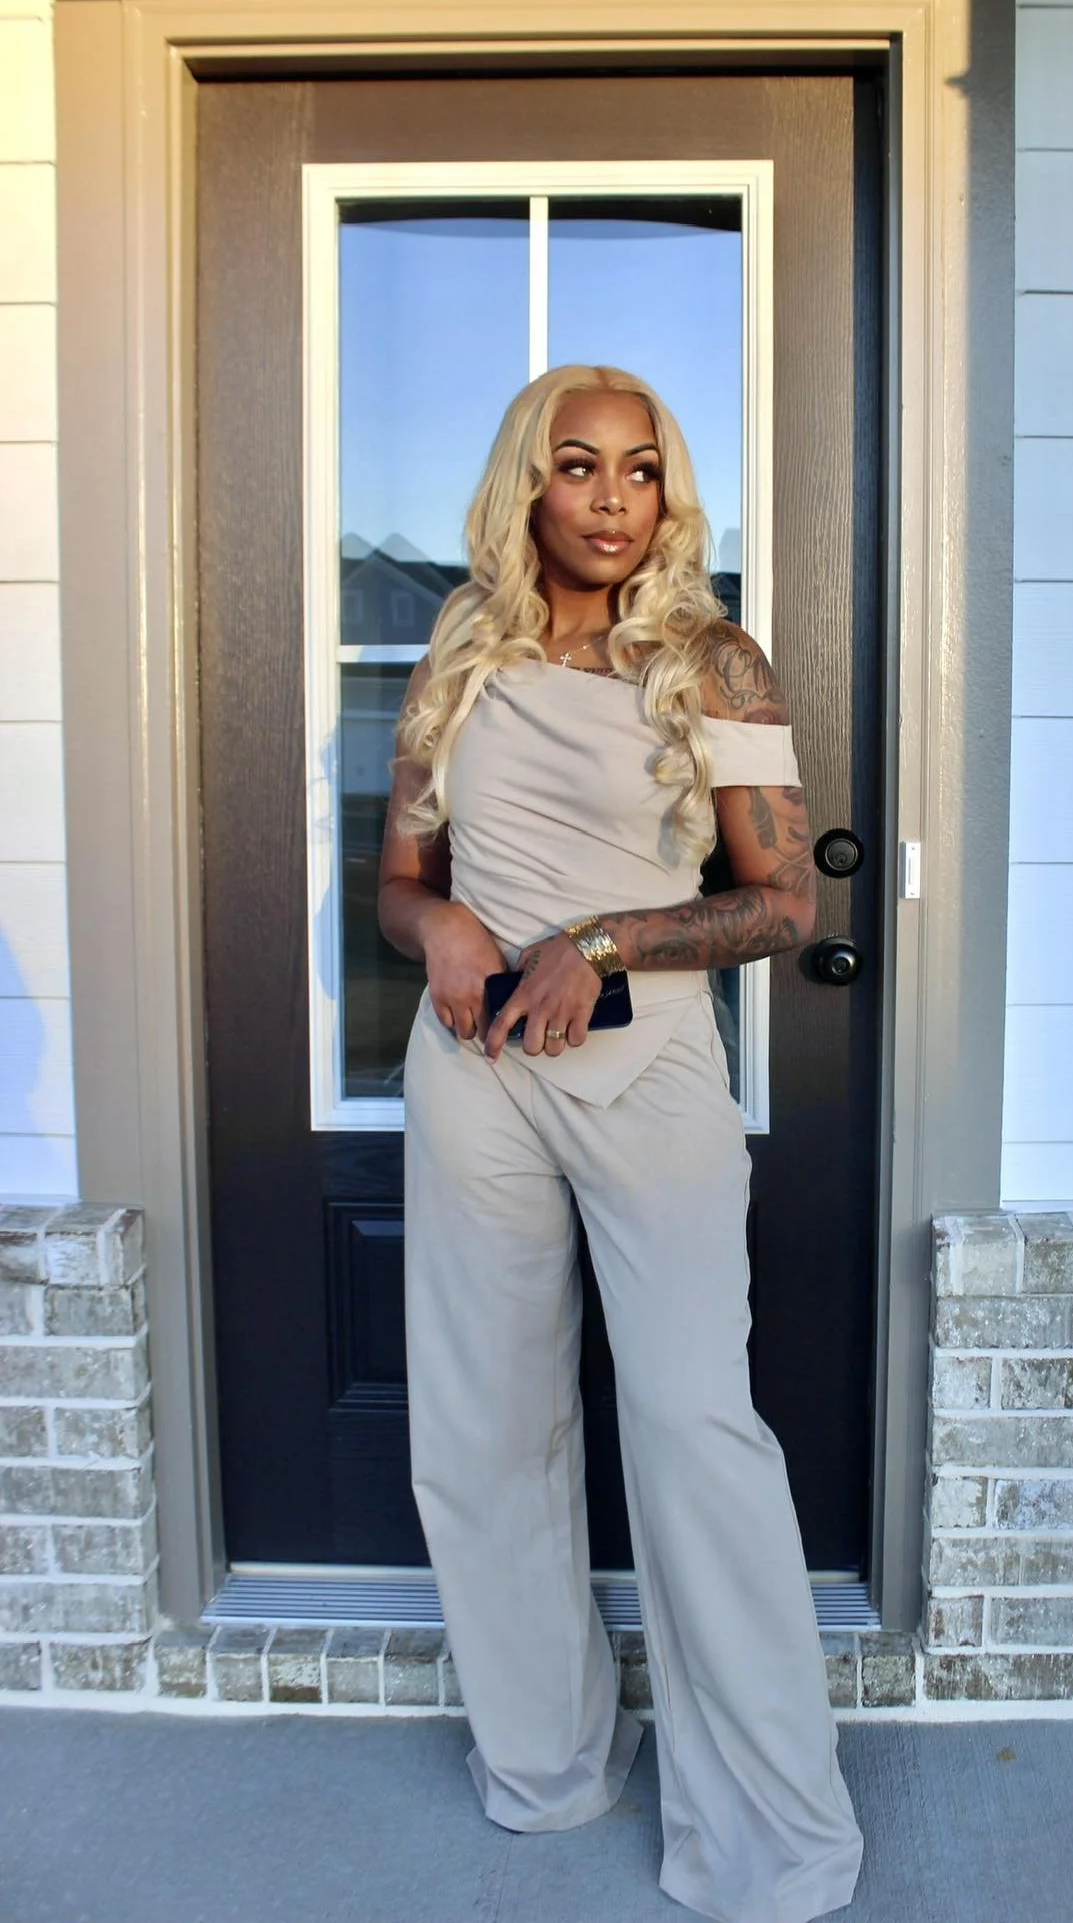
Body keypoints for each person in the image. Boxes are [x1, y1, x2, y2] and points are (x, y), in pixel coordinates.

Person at [377, 363, 864, 1923]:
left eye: (639, 470)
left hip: (645, 1073)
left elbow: (785, 904)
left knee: (693, 1435)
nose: (607, 497)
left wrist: (598, 932)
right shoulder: (460, 654)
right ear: (528, 482)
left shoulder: (711, 663)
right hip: (473, 1071)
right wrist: (437, 919)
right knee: (484, 1432)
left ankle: (771, 1840)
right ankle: (547, 1765)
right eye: (576, 465)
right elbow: (396, 879)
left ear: (667, 493)